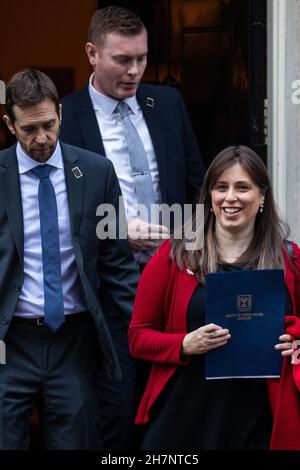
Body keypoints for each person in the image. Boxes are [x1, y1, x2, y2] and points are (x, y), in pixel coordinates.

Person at [59, 5, 205, 448]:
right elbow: (53, 207)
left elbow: (197, 184)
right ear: (92, 53)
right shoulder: (65, 116)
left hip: (176, 279)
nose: (135, 70)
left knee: (175, 407)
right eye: (122, 60)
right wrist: (118, 231)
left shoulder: (169, 103)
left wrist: (200, 256)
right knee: (117, 408)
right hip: (107, 288)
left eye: (141, 58)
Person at [0, 69, 138, 450]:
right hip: (9, 341)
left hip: (73, 341)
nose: (41, 138)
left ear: (60, 113)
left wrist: (149, 328)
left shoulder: (96, 173)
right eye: (29, 129)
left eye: (48, 124)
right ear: (9, 123)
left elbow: (117, 264)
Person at [128, 145, 300, 450]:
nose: (230, 197)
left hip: (258, 419)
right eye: (221, 187)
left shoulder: (289, 258)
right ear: (210, 195)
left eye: (242, 187)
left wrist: (297, 344)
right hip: (185, 418)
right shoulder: (175, 255)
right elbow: (137, 337)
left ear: (262, 196)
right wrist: (183, 344)